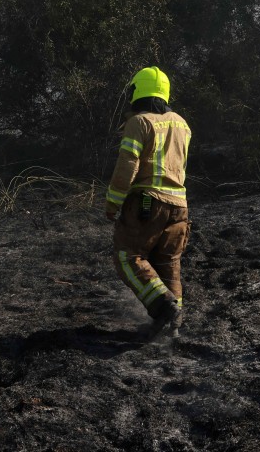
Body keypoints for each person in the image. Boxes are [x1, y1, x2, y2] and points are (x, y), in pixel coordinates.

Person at [104, 66, 192, 339]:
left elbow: (127, 166)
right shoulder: (182, 123)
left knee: (127, 257)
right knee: (168, 261)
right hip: (180, 205)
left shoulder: (139, 122)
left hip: (147, 203)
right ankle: (171, 327)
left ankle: (163, 307)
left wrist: (113, 203)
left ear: (136, 91)